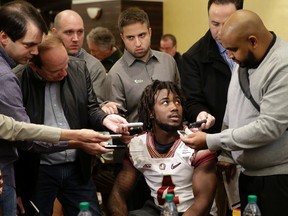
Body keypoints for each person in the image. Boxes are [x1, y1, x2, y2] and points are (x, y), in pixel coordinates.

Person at [0, 1, 121, 215]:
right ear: (34, 66)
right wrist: (78, 140)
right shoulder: (15, 79)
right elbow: (23, 135)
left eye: (66, 64)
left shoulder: (78, 69)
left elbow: (91, 108)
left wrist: (104, 119)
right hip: (39, 171)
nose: (65, 73)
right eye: (56, 70)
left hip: (77, 169)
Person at [180, 9, 288, 216]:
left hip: (277, 178)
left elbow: (269, 128)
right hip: (248, 174)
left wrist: (212, 141)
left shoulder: (282, 65)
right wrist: (228, 155)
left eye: (232, 50)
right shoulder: (245, 57)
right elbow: (233, 108)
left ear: (253, 41)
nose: (229, 56)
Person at [108, 80, 217, 216]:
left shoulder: (198, 143)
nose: (174, 107)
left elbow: (203, 203)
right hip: (160, 210)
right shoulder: (137, 145)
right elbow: (118, 193)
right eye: (165, 102)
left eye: (177, 101)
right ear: (151, 112)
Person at [180, 1, 243, 215]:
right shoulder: (193, 57)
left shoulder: (254, 50)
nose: (220, 31)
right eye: (214, 23)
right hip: (217, 146)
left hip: (254, 145)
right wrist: (201, 114)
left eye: (227, 24)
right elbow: (191, 101)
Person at [107, 7, 180, 123]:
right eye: (130, 37)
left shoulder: (168, 62)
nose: (138, 43)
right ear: (122, 37)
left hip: (174, 136)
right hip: (136, 138)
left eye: (142, 35)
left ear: (150, 32)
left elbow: (180, 102)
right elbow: (118, 122)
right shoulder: (115, 74)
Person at [52, 10, 108, 104]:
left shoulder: (94, 67)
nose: (76, 39)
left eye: (80, 32)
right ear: (54, 32)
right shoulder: (44, 61)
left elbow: (96, 108)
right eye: (69, 32)